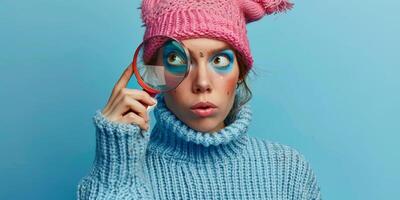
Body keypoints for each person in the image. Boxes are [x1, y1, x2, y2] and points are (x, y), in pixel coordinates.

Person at [77, 0, 322, 199]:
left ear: (240, 71)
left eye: (219, 61)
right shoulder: (122, 172)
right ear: (154, 75)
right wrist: (116, 158)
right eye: (177, 60)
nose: (202, 83)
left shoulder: (288, 170)